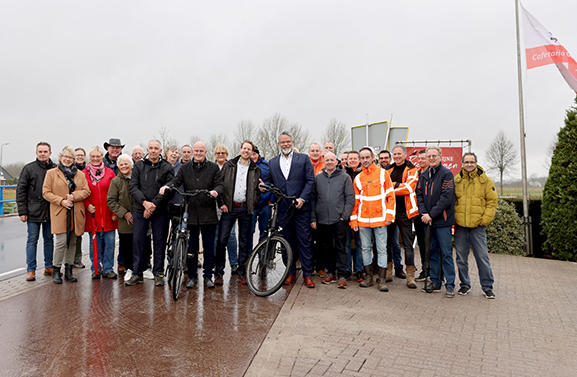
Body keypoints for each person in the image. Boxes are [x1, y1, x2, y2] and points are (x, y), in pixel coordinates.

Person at [160, 141, 223, 289]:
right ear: (193, 152)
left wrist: (216, 192)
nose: (199, 153)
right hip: (191, 212)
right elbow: (176, 181)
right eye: (196, 151)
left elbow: (220, 184)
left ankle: (208, 276)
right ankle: (192, 276)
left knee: (208, 248)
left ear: (205, 152)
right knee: (191, 248)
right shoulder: (185, 168)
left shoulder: (213, 168)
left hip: (208, 212)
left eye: (201, 151)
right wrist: (167, 186)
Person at [264, 131, 316, 288]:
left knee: (304, 242)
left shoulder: (304, 159)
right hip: (283, 209)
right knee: (286, 242)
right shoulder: (272, 162)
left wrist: (302, 198)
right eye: (282, 142)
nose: (285, 144)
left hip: (300, 207)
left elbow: (310, 181)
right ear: (278, 144)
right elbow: (269, 183)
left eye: (288, 142)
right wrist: (263, 188)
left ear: (292, 142)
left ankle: (308, 274)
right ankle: (290, 273)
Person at [125, 140, 174, 287]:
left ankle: (158, 273)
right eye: (151, 148)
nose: (153, 151)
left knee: (159, 241)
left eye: (156, 148)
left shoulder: (167, 167)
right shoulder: (139, 166)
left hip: (160, 210)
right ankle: (137, 273)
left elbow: (169, 188)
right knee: (138, 241)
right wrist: (145, 203)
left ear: (160, 150)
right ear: (148, 150)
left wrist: (153, 205)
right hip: (141, 208)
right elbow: (133, 187)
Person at [42, 146, 91, 284]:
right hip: (60, 211)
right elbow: (46, 192)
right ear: (60, 157)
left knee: (73, 242)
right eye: (66, 157)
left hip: (76, 212)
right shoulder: (51, 173)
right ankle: (56, 270)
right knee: (61, 241)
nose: (68, 159)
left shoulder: (80, 174)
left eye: (71, 158)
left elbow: (86, 191)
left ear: (74, 160)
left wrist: (73, 196)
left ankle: (69, 270)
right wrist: (62, 201)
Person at [350, 147, 395, 292]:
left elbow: (390, 196)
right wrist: (354, 220)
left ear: (372, 157)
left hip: (381, 219)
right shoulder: (358, 178)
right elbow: (355, 202)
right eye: (362, 158)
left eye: (367, 157)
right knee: (365, 248)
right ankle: (368, 277)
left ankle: (382, 280)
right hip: (363, 220)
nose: (364, 160)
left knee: (381, 249)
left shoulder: (383, 174)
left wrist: (389, 216)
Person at [215, 141, 261, 285]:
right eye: (244, 148)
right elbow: (220, 185)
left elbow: (258, 190)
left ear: (252, 152)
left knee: (244, 241)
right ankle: (219, 272)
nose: (246, 151)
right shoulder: (230, 166)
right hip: (229, 208)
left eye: (249, 149)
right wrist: (221, 203)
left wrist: (252, 204)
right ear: (240, 149)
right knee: (222, 240)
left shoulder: (255, 169)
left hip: (245, 209)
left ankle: (242, 271)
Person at [454, 152, 498, 299]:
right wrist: (455, 217)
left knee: (482, 257)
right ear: (462, 163)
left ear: (476, 163)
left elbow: (492, 203)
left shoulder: (485, 181)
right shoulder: (457, 181)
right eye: (466, 162)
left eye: (472, 162)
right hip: (460, 226)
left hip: (478, 227)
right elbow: (452, 201)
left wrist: (484, 220)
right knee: (461, 258)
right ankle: (464, 284)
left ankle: (487, 287)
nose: (469, 165)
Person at [416, 146, 456, 298]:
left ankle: (450, 284)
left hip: (443, 222)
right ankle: (435, 281)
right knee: (431, 252)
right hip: (428, 221)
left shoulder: (447, 174)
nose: (431, 158)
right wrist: (424, 213)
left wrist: (431, 214)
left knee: (446, 253)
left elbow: (446, 198)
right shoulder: (424, 174)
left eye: (434, 155)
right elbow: (419, 194)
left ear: (440, 156)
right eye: (429, 156)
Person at [311, 152, 355, 289]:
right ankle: (331, 273)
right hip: (322, 220)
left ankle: (342, 275)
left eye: (332, 160)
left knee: (341, 248)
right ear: (323, 162)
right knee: (327, 248)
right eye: (327, 160)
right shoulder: (318, 178)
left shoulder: (344, 177)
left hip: (339, 220)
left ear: (336, 162)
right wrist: (313, 218)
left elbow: (350, 198)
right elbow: (313, 199)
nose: (329, 162)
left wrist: (344, 216)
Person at [17, 142, 57, 281]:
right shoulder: (28, 169)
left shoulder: (55, 169)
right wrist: (22, 211)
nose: (42, 154)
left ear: (50, 153)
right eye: (40, 151)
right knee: (32, 240)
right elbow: (21, 190)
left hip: (50, 210)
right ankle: (31, 270)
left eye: (45, 151)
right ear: (36, 153)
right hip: (33, 210)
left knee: (49, 239)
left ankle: (49, 266)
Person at [385, 144, 420, 289]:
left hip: (405, 213)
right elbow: (382, 187)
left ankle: (410, 276)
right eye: (395, 153)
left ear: (405, 154)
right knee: (387, 243)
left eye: (399, 153)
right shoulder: (388, 170)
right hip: (389, 211)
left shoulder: (413, 169)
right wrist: (398, 185)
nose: (397, 156)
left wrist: (392, 186)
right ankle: (387, 272)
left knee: (408, 244)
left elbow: (409, 188)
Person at [83, 146, 118, 279]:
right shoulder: (83, 174)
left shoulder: (110, 173)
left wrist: (115, 212)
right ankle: (96, 268)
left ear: (102, 157)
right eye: (93, 156)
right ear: (89, 157)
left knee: (109, 243)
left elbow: (116, 193)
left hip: (109, 215)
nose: (96, 159)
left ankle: (108, 268)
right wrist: (87, 205)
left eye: (98, 156)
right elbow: (80, 193)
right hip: (93, 215)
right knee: (95, 244)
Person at [107, 154, 135, 280]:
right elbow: (111, 201)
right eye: (121, 164)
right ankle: (129, 268)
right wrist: (125, 213)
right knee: (126, 244)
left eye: (126, 164)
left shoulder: (137, 178)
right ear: (118, 166)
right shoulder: (116, 181)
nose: (124, 166)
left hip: (140, 216)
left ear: (131, 165)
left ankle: (143, 268)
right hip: (124, 219)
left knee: (143, 243)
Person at [213, 144, 239, 274]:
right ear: (214, 155)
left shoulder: (231, 168)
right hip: (214, 206)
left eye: (223, 153)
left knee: (231, 235)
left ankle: (234, 262)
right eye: (218, 153)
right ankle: (215, 263)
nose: (220, 155)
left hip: (228, 205)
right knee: (216, 235)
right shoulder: (212, 168)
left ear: (227, 154)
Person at [345, 150, 364, 281]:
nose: (352, 160)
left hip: (361, 213)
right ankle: (346, 269)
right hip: (346, 213)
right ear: (346, 160)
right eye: (350, 158)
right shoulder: (341, 174)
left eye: (355, 158)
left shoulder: (364, 174)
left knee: (360, 243)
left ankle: (359, 269)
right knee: (345, 243)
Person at [250, 146, 272, 250]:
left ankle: (262, 257)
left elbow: (273, 182)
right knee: (248, 232)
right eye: (251, 154)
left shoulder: (266, 166)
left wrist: (271, 199)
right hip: (250, 205)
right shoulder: (244, 166)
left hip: (265, 203)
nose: (253, 156)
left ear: (258, 155)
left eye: (255, 154)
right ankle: (247, 257)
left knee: (264, 232)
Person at [414, 149, 429, 282]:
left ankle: (436, 272)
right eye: (419, 159)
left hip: (430, 215)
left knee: (433, 245)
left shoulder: (434, 173)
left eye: (423, 158)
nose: (421, 161)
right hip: (418, 214)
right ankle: (425, 270)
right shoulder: (417, 173)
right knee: (422, 244)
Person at [73, 147, 86, 268]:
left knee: (79, 234)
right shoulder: (69, 170)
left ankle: (77, 258)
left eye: (82, 155)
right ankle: (68, 260)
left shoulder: (88, 170)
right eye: (77, 155)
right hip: (73, 204)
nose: (80, 157)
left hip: (85, 204)